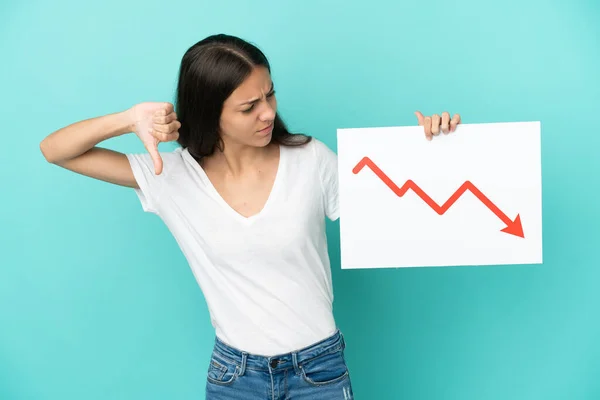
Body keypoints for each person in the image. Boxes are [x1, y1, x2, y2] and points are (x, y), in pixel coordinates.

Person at [40, 33, 461, 399]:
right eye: (248, 107)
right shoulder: (170, 176)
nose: (268, 113)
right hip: (235, 378)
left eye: (270, 95)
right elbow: (55, 150)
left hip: (320, 372)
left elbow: (403, 212)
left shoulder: (310, 160)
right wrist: (128, 119)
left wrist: (432, 149)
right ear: (210, 113)